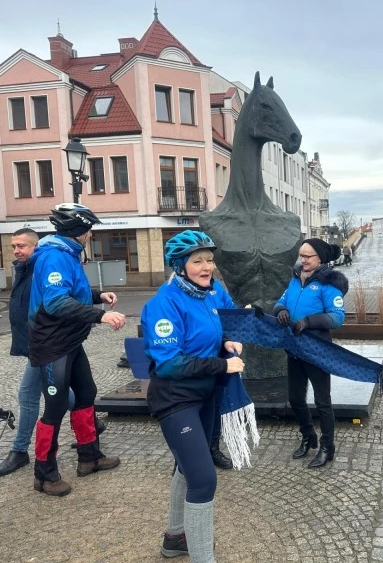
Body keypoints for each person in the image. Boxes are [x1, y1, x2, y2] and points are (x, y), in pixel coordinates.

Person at [141, 230, 244, 561]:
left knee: (186, 468)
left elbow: (231, 317)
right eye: (197, 261)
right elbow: (169, 364)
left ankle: (175, 538)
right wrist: (221, 365)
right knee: (203, 479)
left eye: (210, 260)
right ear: (180, 266)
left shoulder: (211, 294)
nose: (206, 267)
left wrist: (229, 338)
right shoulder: (164, 303)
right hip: (175, 398)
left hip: (206, 395)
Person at [28, 203, 125, 496]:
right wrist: (101, 315)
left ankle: (89, 456)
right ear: (78, 230)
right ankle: (44, 475)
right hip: (52, 342)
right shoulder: (54, 257)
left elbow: (73, 291)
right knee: (55, 407)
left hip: (69, 340)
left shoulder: (68, 253)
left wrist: (97, 295)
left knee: (86, 393)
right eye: (88, 229)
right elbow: (56, 302)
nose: (91, 234)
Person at [274, 238, 347, 468]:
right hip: (295, 349)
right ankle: (308, 436)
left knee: (322, 401)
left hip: (317, 350)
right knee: (295, 398)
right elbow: (280, 301)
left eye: (307, 256)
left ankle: (327, 447)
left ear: (320, 259)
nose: (302, 260)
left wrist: (308, 321)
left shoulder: (328, 284)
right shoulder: (296, 279)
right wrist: (281, 311)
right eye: (301, 255)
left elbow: (337, 317)